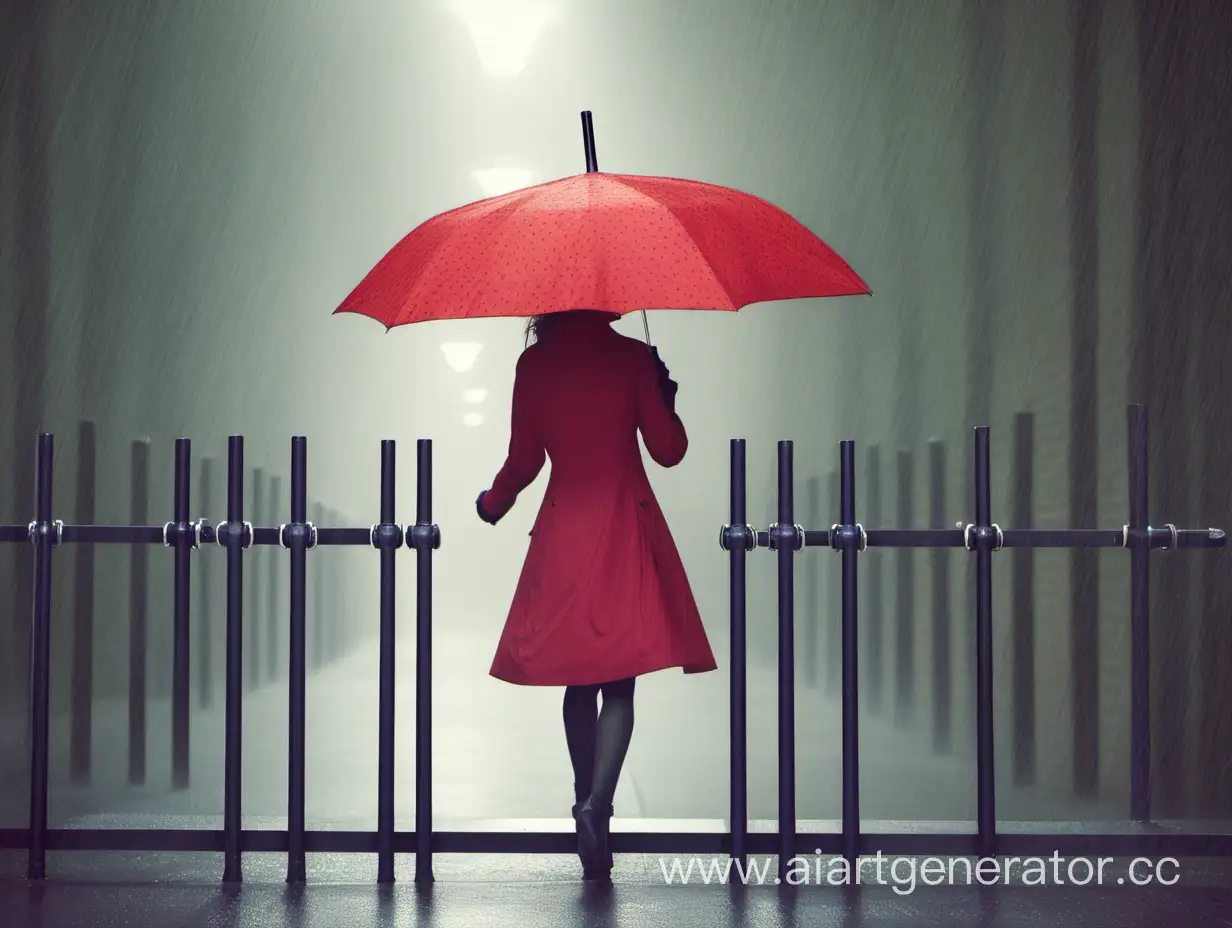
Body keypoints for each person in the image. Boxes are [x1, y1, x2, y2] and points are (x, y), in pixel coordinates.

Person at [474, 308, 717, 881]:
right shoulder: (632, 357)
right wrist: (664, 394)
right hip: (623, 529)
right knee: (620, 685)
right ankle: (598, 807)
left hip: (564, 532)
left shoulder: (533, 364)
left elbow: (525, 460)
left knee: (577, 682)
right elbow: (668, 450)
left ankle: (582, 794)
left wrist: (493, 503)